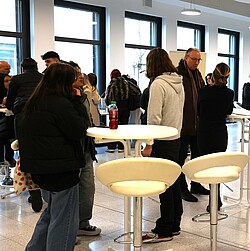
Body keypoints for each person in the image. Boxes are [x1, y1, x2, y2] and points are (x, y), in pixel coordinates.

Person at [16, 63, 89, 251]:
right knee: (64, 220)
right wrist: (77, 101)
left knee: (51, 213)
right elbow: (79, 129)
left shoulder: (33, 101)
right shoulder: (61, 104)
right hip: (62, 170)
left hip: (39, 170)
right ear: (64, 82)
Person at [141, 48, 184, 242]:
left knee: (164, 185)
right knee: (172, 182)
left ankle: (165, 228)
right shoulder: (178, 82)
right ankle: (174, 223)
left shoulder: (158, 84)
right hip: (175, 138)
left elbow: (154, 117)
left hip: (161, 140)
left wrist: (149, 144)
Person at [6, 57, 44, 212]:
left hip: (22, 118)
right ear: (36, 67)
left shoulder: (17, 79)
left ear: (23, 68)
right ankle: (42, 189)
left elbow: (10, 101)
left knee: (25, 154)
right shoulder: (43, 78)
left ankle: (34, 193)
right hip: (42, 116)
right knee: (41, 152)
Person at [68, 61, 101, 236]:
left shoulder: (83, 95)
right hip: (71, 149)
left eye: (80, 73)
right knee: (71, 190)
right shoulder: (64, 98)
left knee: (88, 186)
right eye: (76, 74)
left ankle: (82, 222)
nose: (81, 76)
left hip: (86, 146)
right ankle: (69, 228)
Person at [197, 63, 234, 212]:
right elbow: (228, 111)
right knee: (217, 167)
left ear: (212, 76)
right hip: (219, 133)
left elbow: (199, 112)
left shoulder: (204, 92)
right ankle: (215, 198)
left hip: (204, 133)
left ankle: (214, 198)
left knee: (207, 166)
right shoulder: (229, 93)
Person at [177, 47, 210, 203]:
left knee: (197, 155)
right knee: (181, 157)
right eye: (194, 59)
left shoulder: (197, 74)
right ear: (186, 58)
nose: (197, 62)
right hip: (183, 124)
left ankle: (196, 184)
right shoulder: (179, 74)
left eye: (199, 60)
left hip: (196, 124)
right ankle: (181, 188)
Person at [105, 69, 131, 153]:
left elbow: (108, 97)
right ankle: (122, 147)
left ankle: (112, 146)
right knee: (124, 126)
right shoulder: (126, 83)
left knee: (113, 126)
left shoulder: (112, 83)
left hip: (115, 107)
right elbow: (135, 91)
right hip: (126, 107)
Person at [0, 73, 15, 169]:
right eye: (6, 81)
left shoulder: (13, 94)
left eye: (10, 81)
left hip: (9, 125)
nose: (9, 83)